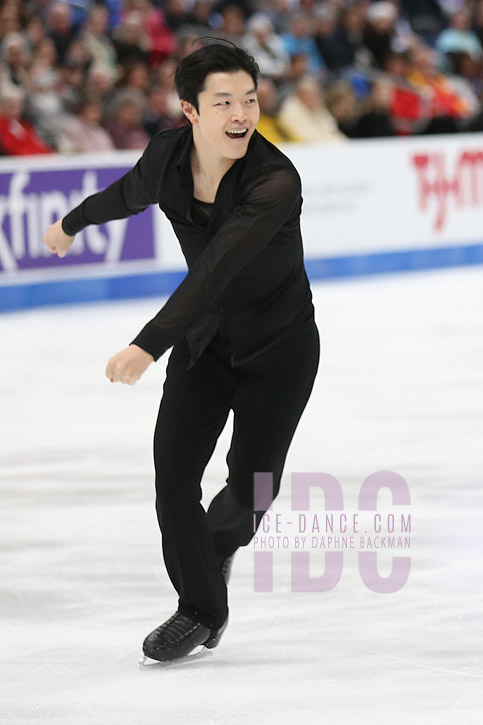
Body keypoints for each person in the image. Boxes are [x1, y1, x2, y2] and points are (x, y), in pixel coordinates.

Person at [42, 42, 319, 663]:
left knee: (251, 495)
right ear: (190, 111)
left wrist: (146, 344)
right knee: (173, 484)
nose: (241, 113)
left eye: (249, 99)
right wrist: (71, 224)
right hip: (205, 344)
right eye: (223, 101)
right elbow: (125, 195)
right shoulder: (168, 155)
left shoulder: (275, 180)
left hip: (279, 349)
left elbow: (214, 270)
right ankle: (200, 608)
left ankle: (219, 546)